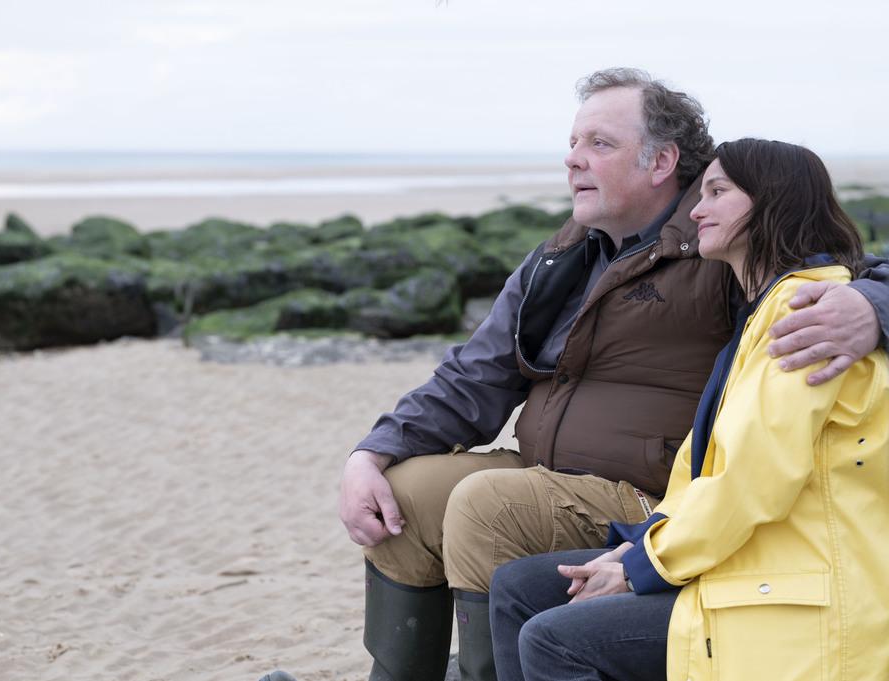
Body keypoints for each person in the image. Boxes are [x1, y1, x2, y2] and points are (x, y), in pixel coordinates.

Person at [259, 69, 889, 681]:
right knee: (404, 492)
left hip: (654, 494)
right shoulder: (562, 256)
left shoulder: (721, 245)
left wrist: (872, 306)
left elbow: (827, 266)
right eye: (572, 142)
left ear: (661, 161)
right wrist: (373, 451)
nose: (573, 159)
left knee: (486, 505)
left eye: (599, 143)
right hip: (550, 475)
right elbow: (473, 375)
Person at [489, 138, 889, 681]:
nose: (697, 210)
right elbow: (698, 477)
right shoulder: (763, 311)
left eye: (718, 192)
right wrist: (635, 547)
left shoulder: (806, 319)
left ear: (772, 202)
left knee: (555, 640)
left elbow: (752, 480)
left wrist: (640, 568)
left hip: (795, 588)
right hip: (745, 557)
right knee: (519, 587)